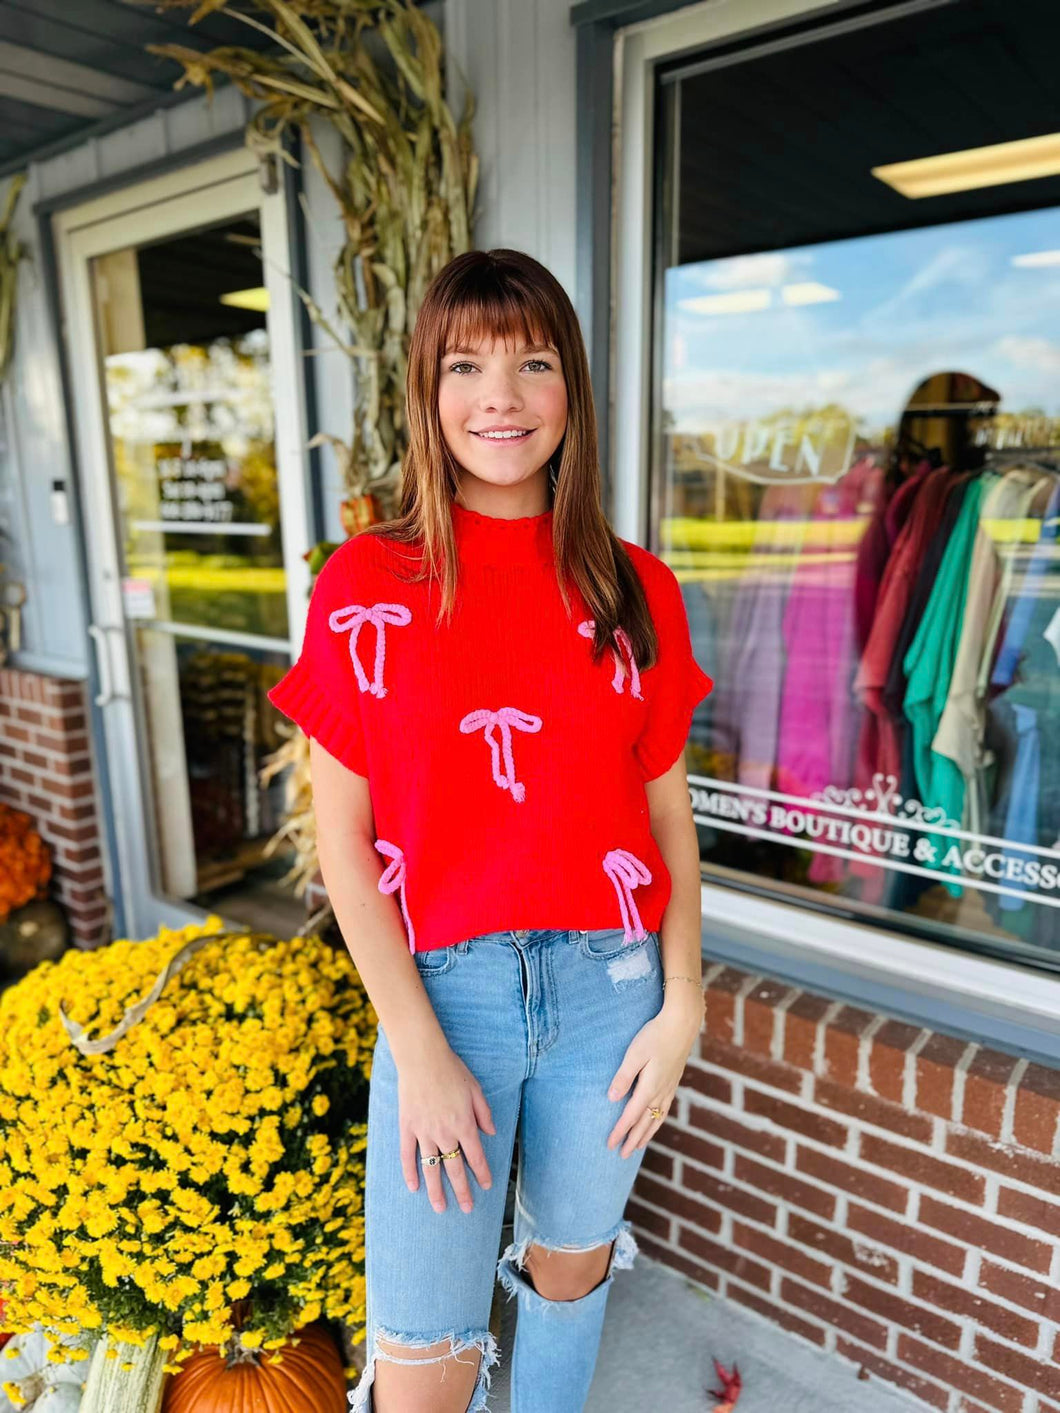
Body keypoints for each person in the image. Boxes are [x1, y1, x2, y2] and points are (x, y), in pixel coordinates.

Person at [266, 248, 714, 1413]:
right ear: (428, 391)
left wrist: (683, 1005)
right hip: (443, 997)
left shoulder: (633, 588)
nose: (500, 397)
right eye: (465, 365)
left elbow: (665, 814)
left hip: (609, 991)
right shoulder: (365, 583)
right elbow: (345, 848)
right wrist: (415, 1046)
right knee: (423, 1352)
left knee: (570, 1277)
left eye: (533, 362)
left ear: (571, 392)